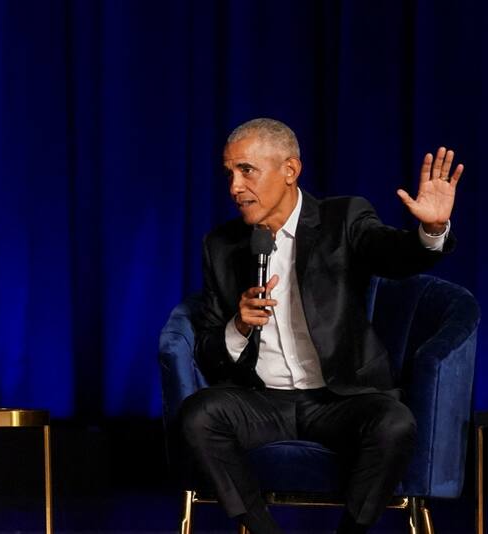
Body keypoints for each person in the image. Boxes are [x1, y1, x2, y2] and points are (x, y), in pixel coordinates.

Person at [179, 118, 463, 534]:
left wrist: (431, 230)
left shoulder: (343, 219)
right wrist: (238, 325)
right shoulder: (221, 245)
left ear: (290, 170)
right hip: (262, 400)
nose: (234, 187)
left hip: (339, 399)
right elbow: (207, 348)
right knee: (197, 415)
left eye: (246, 171)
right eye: (229, 173)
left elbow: (393, 256)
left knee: (395, 422)